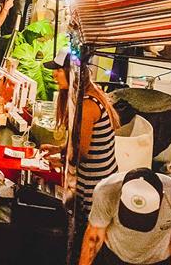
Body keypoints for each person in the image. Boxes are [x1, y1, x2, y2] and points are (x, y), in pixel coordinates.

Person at [47, 53, 120, 216]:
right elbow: (83, 142)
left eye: (59, 69)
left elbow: (82, 152)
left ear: (72, 72)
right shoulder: (89, 92)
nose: (54, 74)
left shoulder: (87, 105)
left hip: (94, 185)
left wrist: (60, 161)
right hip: (98, 178)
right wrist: (58, 149)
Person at [80, 168, 171, 265]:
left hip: (158, 258)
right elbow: (94, 237)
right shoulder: (106, 191)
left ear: (162, 198)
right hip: (114, 255)